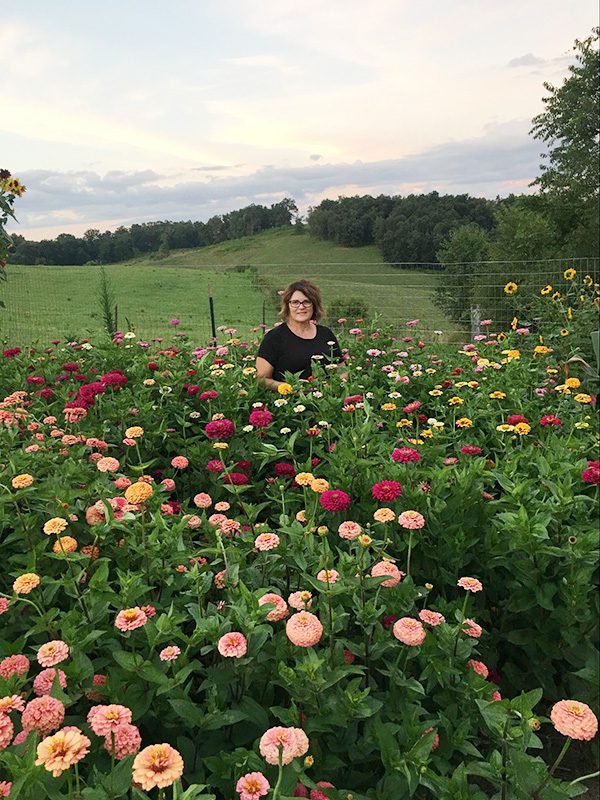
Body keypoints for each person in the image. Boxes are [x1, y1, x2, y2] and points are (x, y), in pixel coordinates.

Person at [256, 280, 346, 390]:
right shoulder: (274, 338)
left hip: (324, 403)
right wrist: (291, 389)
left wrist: (329, 387)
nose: (301, 307)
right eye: (295, 302)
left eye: (307, 302)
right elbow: (261, 379)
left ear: (314, 305)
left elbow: (343, 370)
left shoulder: (326, 334)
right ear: (287, 305)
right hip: (288, 402)